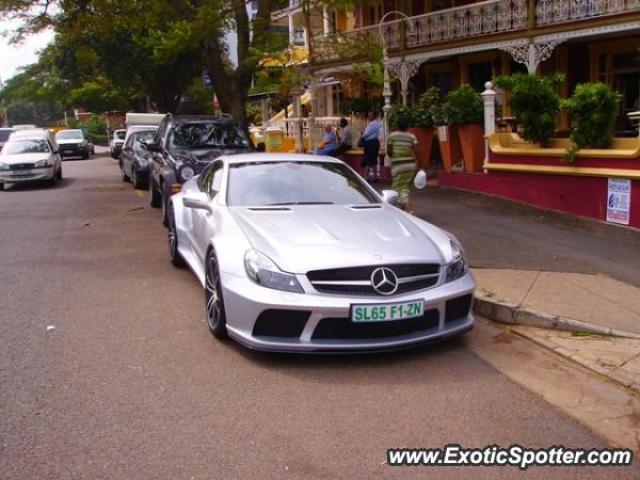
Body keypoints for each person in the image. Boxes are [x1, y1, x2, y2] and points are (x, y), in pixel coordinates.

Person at [387, 116, 419, 214]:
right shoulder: (412, 136)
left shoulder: (392, 135)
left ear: (398, 125)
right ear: (407, 126)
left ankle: (407, 209)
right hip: (410, 165)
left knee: (397, 188)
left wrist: (394, 157)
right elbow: (417, 150)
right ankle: (404, 209)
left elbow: (389, 151)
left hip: (398, 165)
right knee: (404, 188)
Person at [361, 112, 381, 181]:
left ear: (374, 116)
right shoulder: (374, 123)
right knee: (373, 160)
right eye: (369, 115)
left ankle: (366, 176)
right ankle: (375, 176)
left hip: (371, 142)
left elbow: (366, 133)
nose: (369, 117)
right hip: (373, 142)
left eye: (371, 115)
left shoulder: (373, 124)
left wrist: (362, 134)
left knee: (368, 160)